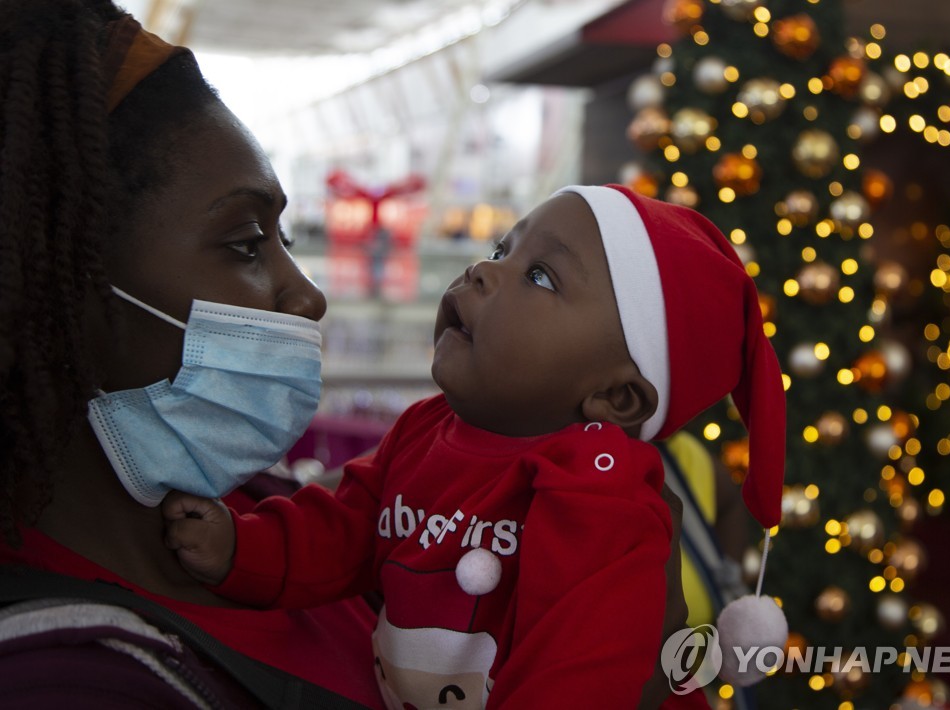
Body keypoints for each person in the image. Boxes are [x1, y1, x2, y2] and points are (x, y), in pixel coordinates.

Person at [163, 185, 788, 708]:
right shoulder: (427, 429)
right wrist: (243, 549)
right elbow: (346, 531)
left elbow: (578, 679)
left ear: (616, 400)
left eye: (541, 276)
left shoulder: (601, 501)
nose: (484, 271)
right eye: (501, 251)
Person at [0, 1, 382, 705]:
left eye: (283, 241)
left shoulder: (256, 515)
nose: (306, 298)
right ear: (57, 282)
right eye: (244, 244)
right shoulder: (59, 680)